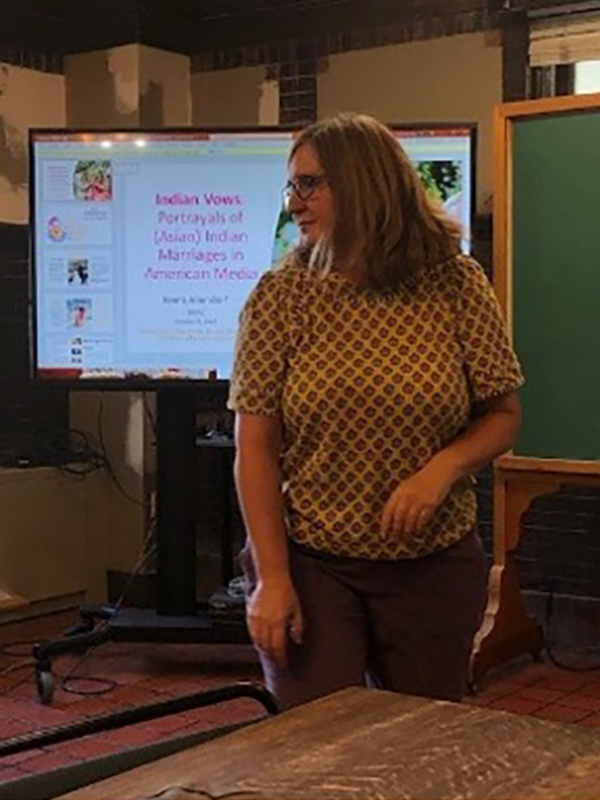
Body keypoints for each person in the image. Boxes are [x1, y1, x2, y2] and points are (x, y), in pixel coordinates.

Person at [228, 112, 523, 710]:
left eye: (309, 185)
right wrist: (272, 579)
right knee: (317, 741)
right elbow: (254, 448)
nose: (294, 204)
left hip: (431, 564)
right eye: (291, 187)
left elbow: (503, 414)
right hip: (313, 562)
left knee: (423, 736)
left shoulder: (455, 283)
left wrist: (440, 471)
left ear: (365, 184)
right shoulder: (280, 296)